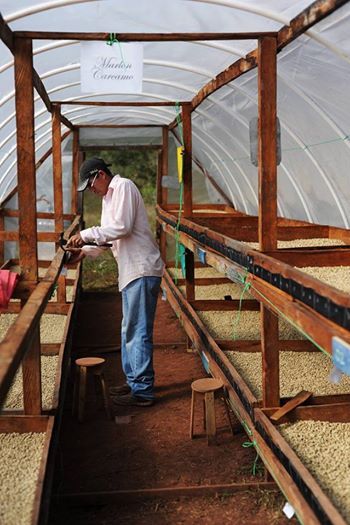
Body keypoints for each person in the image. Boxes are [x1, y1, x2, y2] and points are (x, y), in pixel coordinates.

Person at [67, 157, 164, 406]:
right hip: (130, 272)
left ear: (100, 174)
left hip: (141, 268)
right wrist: (83, 252)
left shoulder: (123, 187)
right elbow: (108, 240)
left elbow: (121, 227)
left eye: (90, 184)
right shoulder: (107, 199)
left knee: (138, 331)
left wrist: (84, 235)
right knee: (127, 330)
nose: (91, 190)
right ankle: (133, 382)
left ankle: (142, 391)